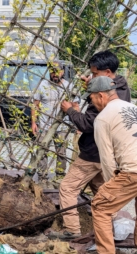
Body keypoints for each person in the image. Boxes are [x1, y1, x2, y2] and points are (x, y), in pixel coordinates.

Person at [47, 50, 131, 240]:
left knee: (67, 188)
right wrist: (93, 84)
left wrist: (71, 111)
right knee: (102, 190)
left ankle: (72, 230)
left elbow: (88, 124)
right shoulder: (122, 87)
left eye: (95, 74)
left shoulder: (104, 98)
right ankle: (114, 224)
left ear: (107, 72)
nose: (91, 77)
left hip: (93, 152)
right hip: (107, 153)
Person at [84, 76, 137, 254]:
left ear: (101, 95)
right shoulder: (132, 108)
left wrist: (108, 188)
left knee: (100, 206)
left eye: (91, 99)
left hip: (133, 170)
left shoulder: (103, 118)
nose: (92, 103)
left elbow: (106, 160)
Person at [31, 60, 80, 179]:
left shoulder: (69, 87)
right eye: (52, 71)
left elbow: (75, 106)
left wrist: (78, 124)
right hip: (44, 125)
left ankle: (60, 176)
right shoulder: (43, 85)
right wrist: (33, 123)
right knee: (42, 151)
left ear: (63, 72)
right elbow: (35, 105)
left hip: (62, 126)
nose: (55, 74)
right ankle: (42, 176)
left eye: (57, 71)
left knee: (61, 152)